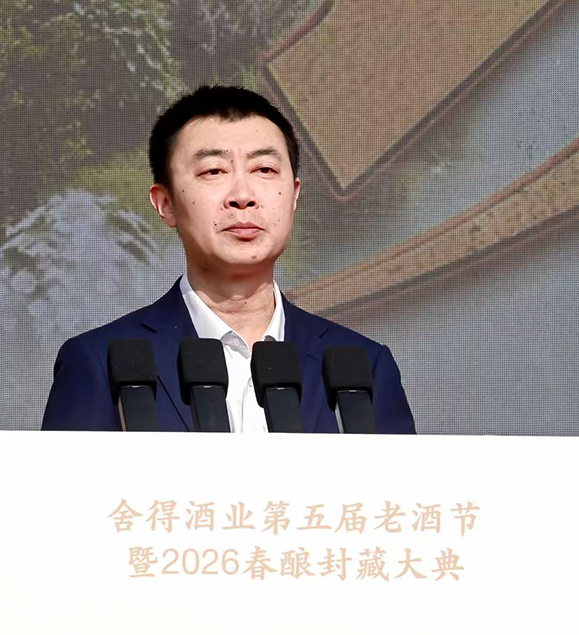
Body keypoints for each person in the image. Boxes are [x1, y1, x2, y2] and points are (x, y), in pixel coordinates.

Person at [41, 85, 416, 433]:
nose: (242, 196)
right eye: (213, 171)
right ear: (165, 203)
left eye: (264, 170)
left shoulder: (363, 367)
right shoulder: (99, 362)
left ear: (294, 194)